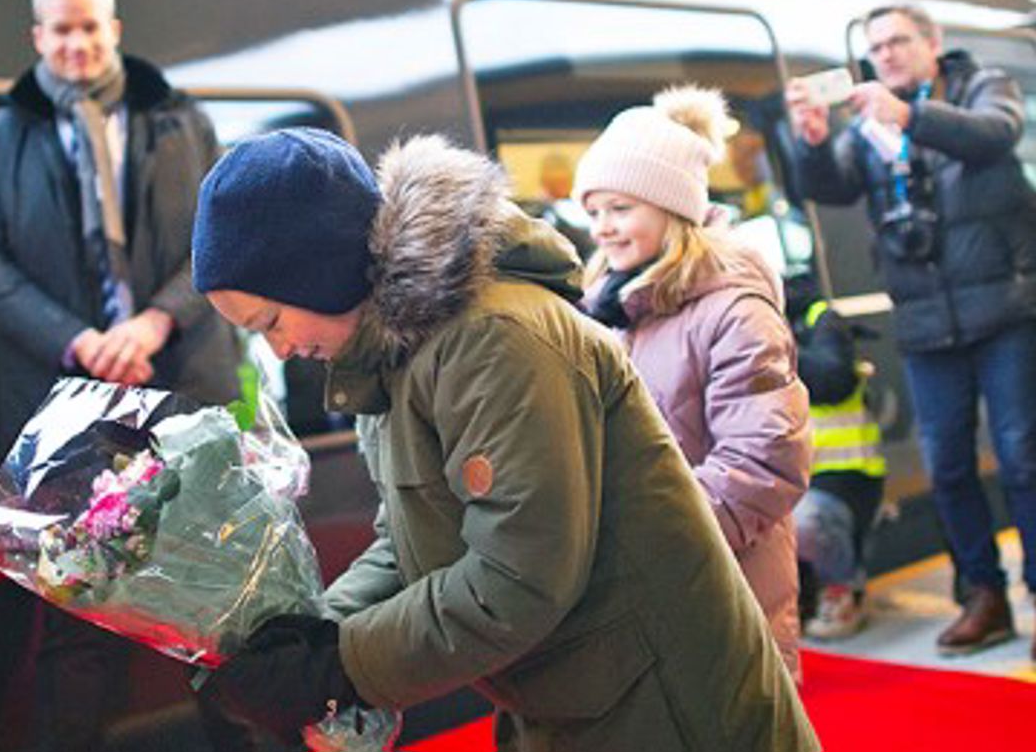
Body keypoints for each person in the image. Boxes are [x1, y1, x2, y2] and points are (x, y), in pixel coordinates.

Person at [192, 128, 817, 751]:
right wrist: (315, 632)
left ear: (318, 273)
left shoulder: (493, 338)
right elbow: (409, 541)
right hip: (590, 695)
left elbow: (518, 577)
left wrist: (339, 665)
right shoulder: (396, 357)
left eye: (270, 320)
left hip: (670, 708)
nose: (279, 349)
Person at [0, 0, 244, 751]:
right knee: (74, 624)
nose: (76, 43)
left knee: (216, 608)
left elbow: (218, 239)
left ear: (113, 29)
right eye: (61, 29)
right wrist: (80, 341)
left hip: (184, 394)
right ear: (37, 37)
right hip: (65, 413)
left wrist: (153, 323)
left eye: (89, 27)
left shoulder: (180, 118)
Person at [784, 4, 1036, 657]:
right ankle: (982, 595)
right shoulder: (870, 120)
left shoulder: (981, 86)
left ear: (933, 42)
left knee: (1022, 457)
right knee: (947, 466)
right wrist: (812, 142)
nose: (888, 54)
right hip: (925, 322)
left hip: (1005, 310)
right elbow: (831, 186)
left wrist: (912, 116)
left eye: (899, 41)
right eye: (877, 47)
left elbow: (997, 134)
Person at [572, 86, 812, 680]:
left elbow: (763, 463)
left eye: (619, 208)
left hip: (724, 590)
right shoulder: (609, 306)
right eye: (594, 212)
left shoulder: (735, 309)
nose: (602, 229)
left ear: (672, 207)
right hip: (646, 595)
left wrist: (644, 542)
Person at [783, 275, 887, 641]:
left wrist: (771, 345)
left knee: (804, 523)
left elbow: (833, 379)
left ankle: (842, 589)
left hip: (844, 477)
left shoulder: (821, 320)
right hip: (785, 477)